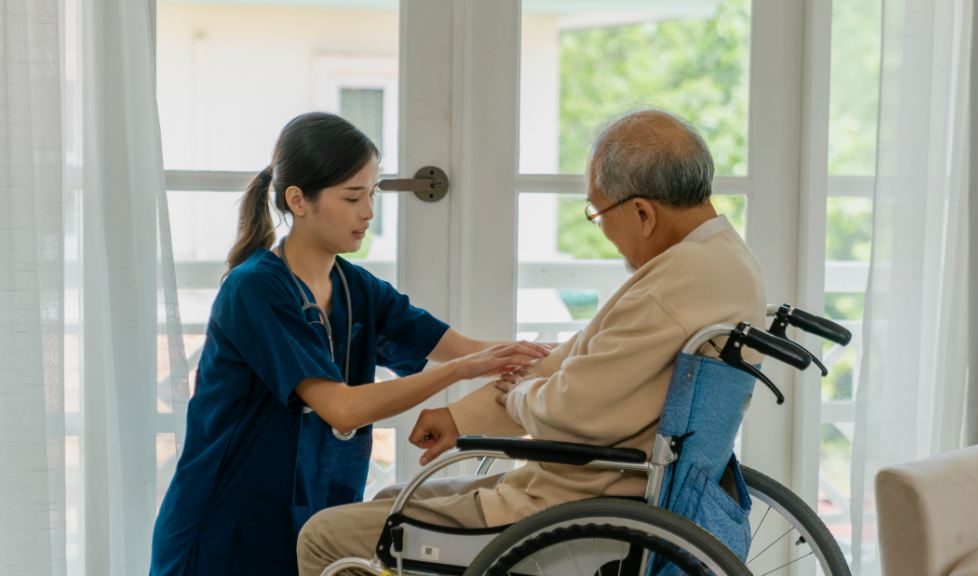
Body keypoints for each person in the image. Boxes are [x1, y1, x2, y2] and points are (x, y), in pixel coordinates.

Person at [294, 109, 767, 575]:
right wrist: (461, 418)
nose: (600, 227)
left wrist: (512, 394)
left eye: (596, 212)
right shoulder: (718, 262)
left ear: (642, 213)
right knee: (388, 500)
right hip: (593, 485)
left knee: (323, 536)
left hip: (569, 505)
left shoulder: (671, 286)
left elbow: (569, 405)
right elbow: (565, 362)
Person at [150, 112, 549, 576]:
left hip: (309, 515)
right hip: (226, 522)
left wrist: (574, 352)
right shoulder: (256, 289)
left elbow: (467, 348)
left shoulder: (357, 288)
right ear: (298, 200)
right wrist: (464, 369)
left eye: (372, 194)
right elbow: (342, 408)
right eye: (353, 196)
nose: (369, 212)